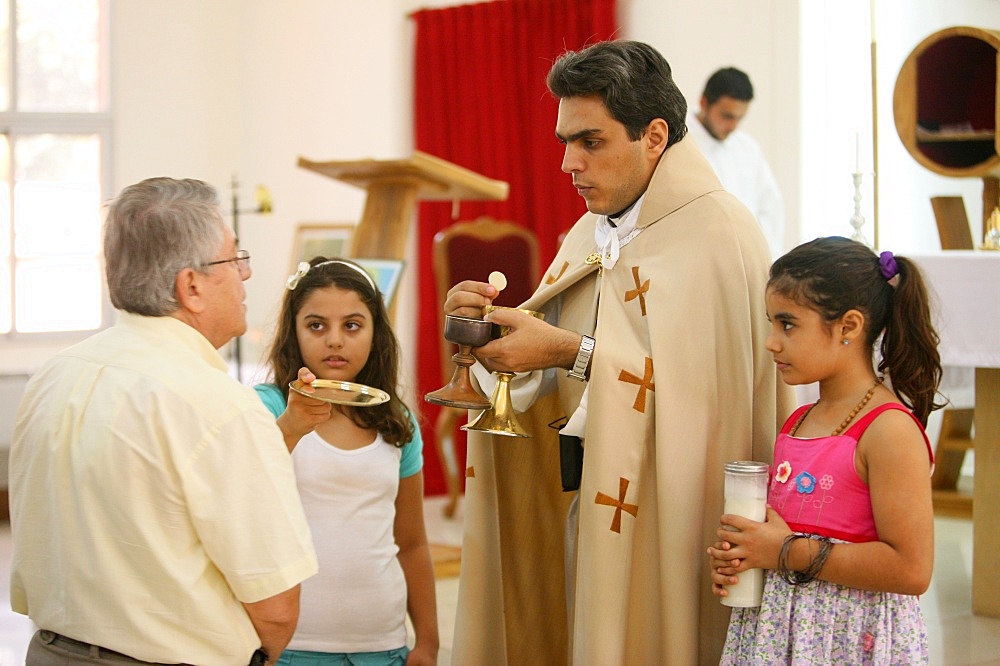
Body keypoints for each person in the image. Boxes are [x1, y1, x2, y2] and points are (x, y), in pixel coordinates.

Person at [443, 40, 790, 664]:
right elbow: (554, 363)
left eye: (591, 142)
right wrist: (496, 339)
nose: (569, 163)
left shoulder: (723, 235)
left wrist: (569, 352)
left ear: (654, 136)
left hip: (674, 518)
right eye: (564, 142)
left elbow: (705, 402)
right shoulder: (589, 230)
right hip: (587, 495)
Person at [8, 177, 318, 665]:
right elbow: (276, 607)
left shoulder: (54, 375)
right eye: (234, 258)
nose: (245, 274)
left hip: (49, 650)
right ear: (191, 286)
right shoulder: (220, 405)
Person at [708, 236, 943, 664]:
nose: (771, 342)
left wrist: (781, 550)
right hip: (782, 634)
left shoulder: (888, 431)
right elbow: (783, 536)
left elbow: (911, 569)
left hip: (847, 640)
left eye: (788, 324)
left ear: (848, 327)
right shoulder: (798, 423)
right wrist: (748, 554)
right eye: (771, 323)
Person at [254, 257, 439, 666]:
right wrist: (290, 426)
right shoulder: (265, 409)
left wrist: (427, 641)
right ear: (294, 332)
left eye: (352, 325)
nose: (334, 340)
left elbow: (412, 543)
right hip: (289, 646)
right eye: (316, 325)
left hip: (382, 643)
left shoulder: (396, 421)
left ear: (375, 333)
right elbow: (242, 503)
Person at [688, 66, 785, 259]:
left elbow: (770, 208)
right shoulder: (677, 141)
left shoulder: (747, 147)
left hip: (746, 260)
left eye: (740, 118)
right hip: (698, 258)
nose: (733, 126)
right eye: (727, 116)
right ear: (704, 103)